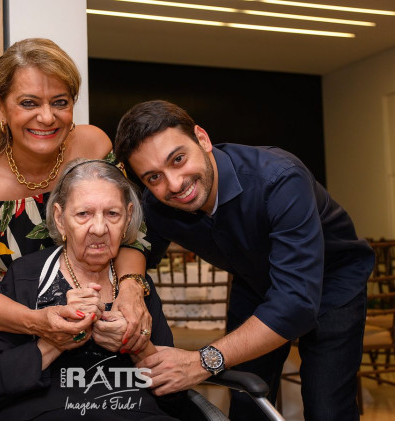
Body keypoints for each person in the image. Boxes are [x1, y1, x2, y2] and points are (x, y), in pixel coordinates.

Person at [114, 100, 375, 421]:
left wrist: (201, 361)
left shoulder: (279, 179)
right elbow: (137, 246)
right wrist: (130, 285)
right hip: (254, 282)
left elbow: (294, 302)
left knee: (327, 407)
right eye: (153, 177)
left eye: (178, 159)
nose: (175, 184)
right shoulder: (158, 205)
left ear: (202, 139)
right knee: (246, 403)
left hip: (332, 283)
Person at [0, 38, 151, 354]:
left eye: (60, 102)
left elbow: (132, 233)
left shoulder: (93, 148)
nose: (47, 117)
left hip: (107, 334)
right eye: (29, 103)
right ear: (0, 106)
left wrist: (131, 289)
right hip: (16, 345)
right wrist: (36, 322)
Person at [0, 159, 198, 420]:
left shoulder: (136, 286)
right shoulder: (27, 277)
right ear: (60, 219)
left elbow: (174, 399)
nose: (99, 229)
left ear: (128, 217)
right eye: (83, 214)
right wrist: (53, 342)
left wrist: (135, 345)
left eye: (112, 214)